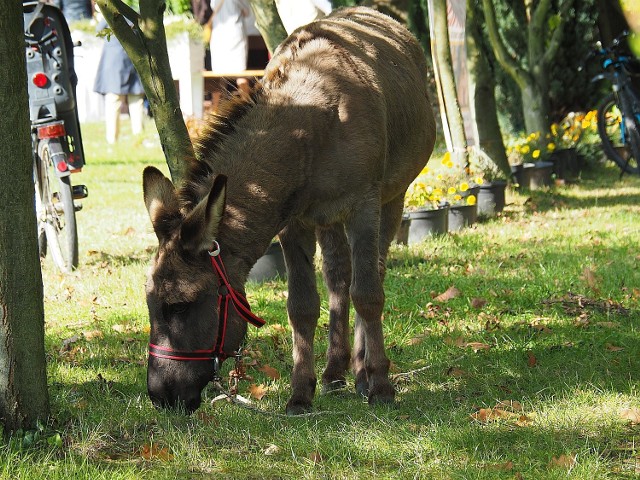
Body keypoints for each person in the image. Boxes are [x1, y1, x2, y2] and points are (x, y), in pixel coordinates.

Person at [93, 18, 145, 144]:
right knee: (136, 101)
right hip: (133, 59)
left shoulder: (108, 14)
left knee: (113, 102)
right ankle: (139, 138)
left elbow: (98, 30)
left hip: (114, 62)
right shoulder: (133, 14)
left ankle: (112, 139)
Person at [208, 0, 251, 111]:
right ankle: (247, 106)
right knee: (240, 74)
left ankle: (215, 111)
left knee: (219, 76)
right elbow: (247, 12)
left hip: (218, 35)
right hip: (235, 34)